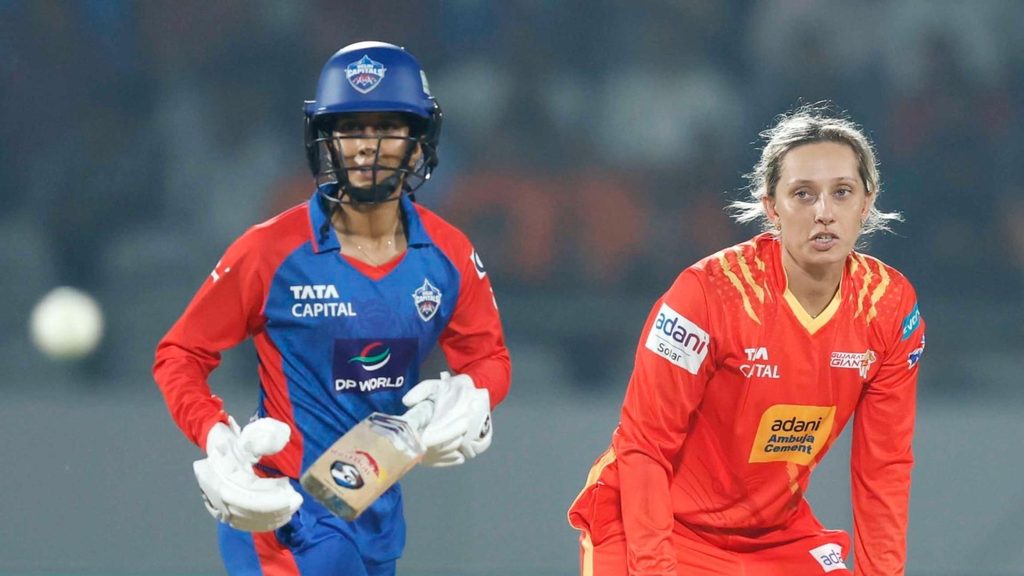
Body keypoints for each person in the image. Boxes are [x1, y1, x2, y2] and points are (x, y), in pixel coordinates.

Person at [154, 41, 511, 576]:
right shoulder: (269, 251)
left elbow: (489, 358)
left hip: (376, 517)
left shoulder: (449, 255)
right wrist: (215, 435)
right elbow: (180, 354)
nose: (367, 146)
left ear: (419, 145)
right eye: (351, 128)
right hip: (282, 514)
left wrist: (472, 395)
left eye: (386, 127)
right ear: (326, 139)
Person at [567, 103, 924, 576]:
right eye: (802, 194)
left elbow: (885, 464)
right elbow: (645, 445)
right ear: (772, 207)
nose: (824, 213)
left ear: (866, 203)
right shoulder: (709, 294)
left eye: (842, 192)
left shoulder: (889, 306)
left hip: (775, 536)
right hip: (651, 524)